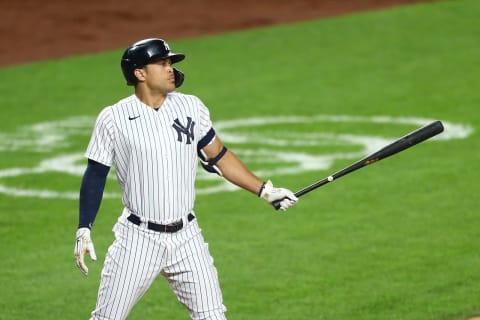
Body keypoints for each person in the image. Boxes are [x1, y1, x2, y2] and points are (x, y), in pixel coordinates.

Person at [73, 37, 298, 320]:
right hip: (138, 239)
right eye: (162, 63)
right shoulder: (114, 118)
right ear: (139, 73)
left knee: (212, 316)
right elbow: (95, 174)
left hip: (187, 237)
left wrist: (265, 190)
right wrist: (85, 227)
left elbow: (218, 156)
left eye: (171, 63)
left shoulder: (190, 107)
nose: (170, 69)